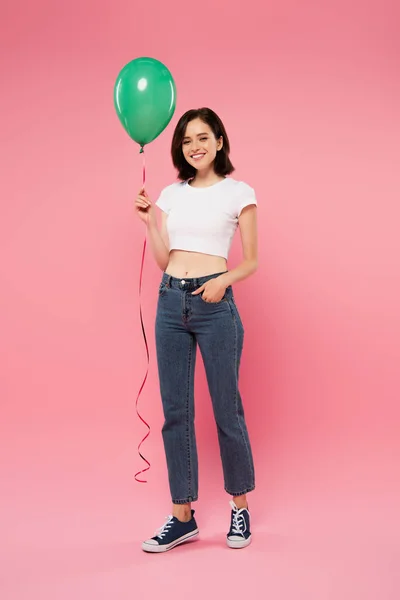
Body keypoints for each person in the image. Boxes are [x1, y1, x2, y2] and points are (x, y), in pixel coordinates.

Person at [134, 107, 258, 553]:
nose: (195, 146)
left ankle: (239, 506)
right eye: (187, 141)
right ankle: (182, 516)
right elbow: (165, 260)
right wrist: (151, 221)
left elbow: (251, 260)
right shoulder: (171, 194)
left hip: (215, 305)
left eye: (203, 137)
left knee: (227, 411)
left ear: (220, 141)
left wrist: (222, 280)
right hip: (170, 303)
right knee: (176, 414)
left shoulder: (239, 193)